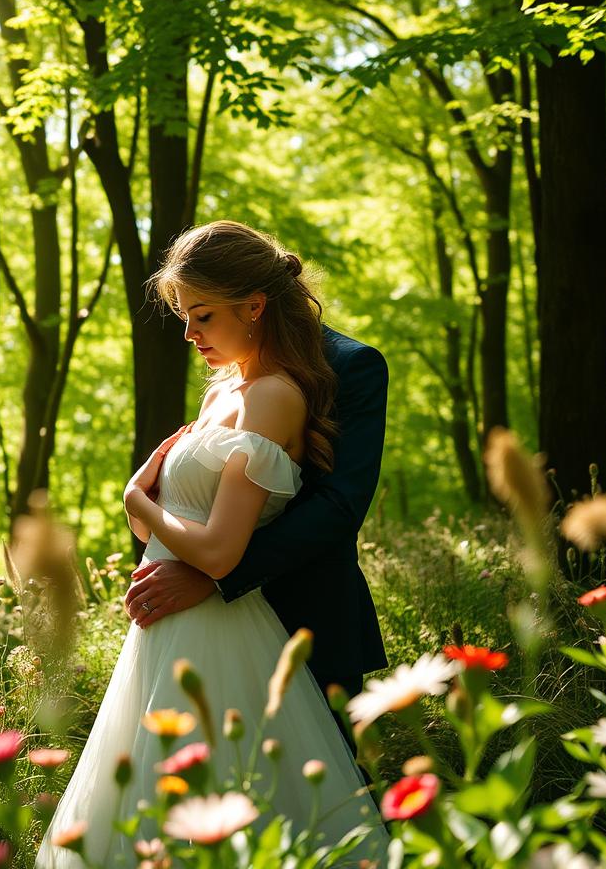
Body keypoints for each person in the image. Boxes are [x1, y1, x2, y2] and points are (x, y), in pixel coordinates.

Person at [35, 222, 389, 868]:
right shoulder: (226, 379)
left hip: (306, 616)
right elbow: (187, 496)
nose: (189, 334)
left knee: (309, 808)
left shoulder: (350, 367)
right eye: (181, 316)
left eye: (200, 315)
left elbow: (338, 507)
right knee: (174, 801)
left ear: (253, 304)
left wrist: (216, 575)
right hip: (186, 626)